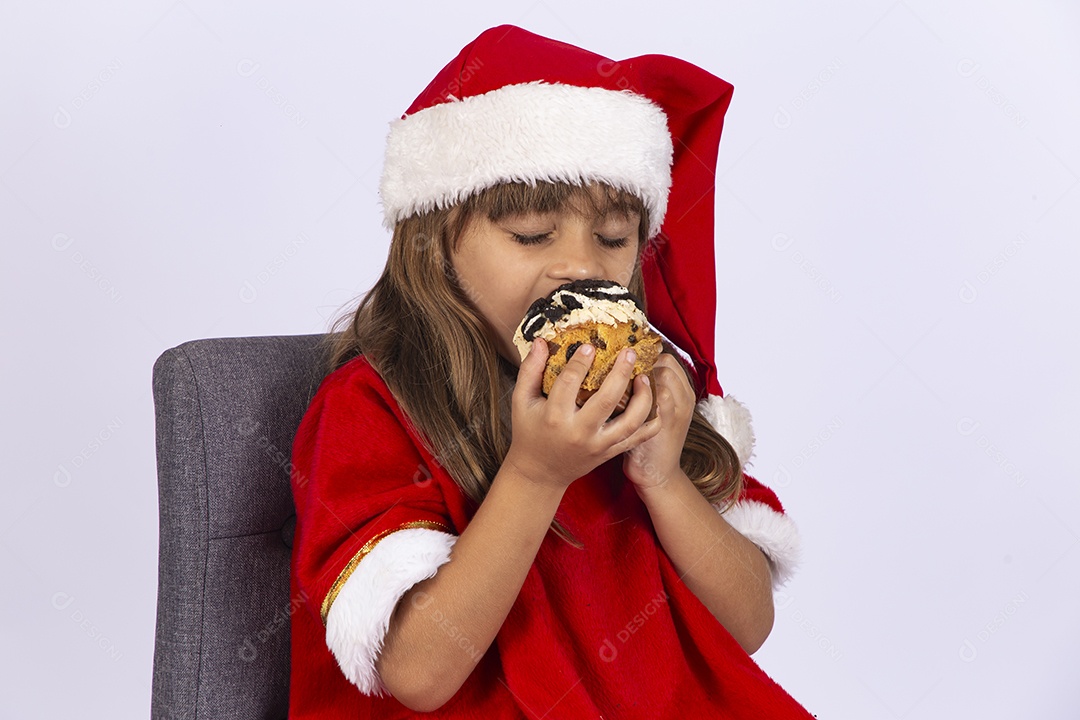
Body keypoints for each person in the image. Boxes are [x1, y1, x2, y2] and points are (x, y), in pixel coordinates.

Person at [288, 24, 813, 718]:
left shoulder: (646, 392)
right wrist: (536, 474)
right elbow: (415, 672)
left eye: (613, 238)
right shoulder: (370, 409)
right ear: (437, 244)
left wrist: (661, 478)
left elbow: (747, 627)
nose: (581, 267)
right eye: (532, 235)